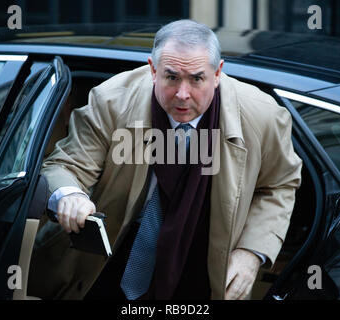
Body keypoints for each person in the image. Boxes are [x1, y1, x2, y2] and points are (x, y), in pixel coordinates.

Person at [35, 19, 302, 300]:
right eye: (171, 77)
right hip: (115, 251)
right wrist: (70, 194)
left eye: (197, 78)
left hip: (207, 256)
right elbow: (66, 165)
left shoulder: (263, 116)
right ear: (152, 70)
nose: (182, 94)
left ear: (218, 73)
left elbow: (280, 185)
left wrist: (251, 252)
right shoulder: (111, 101)